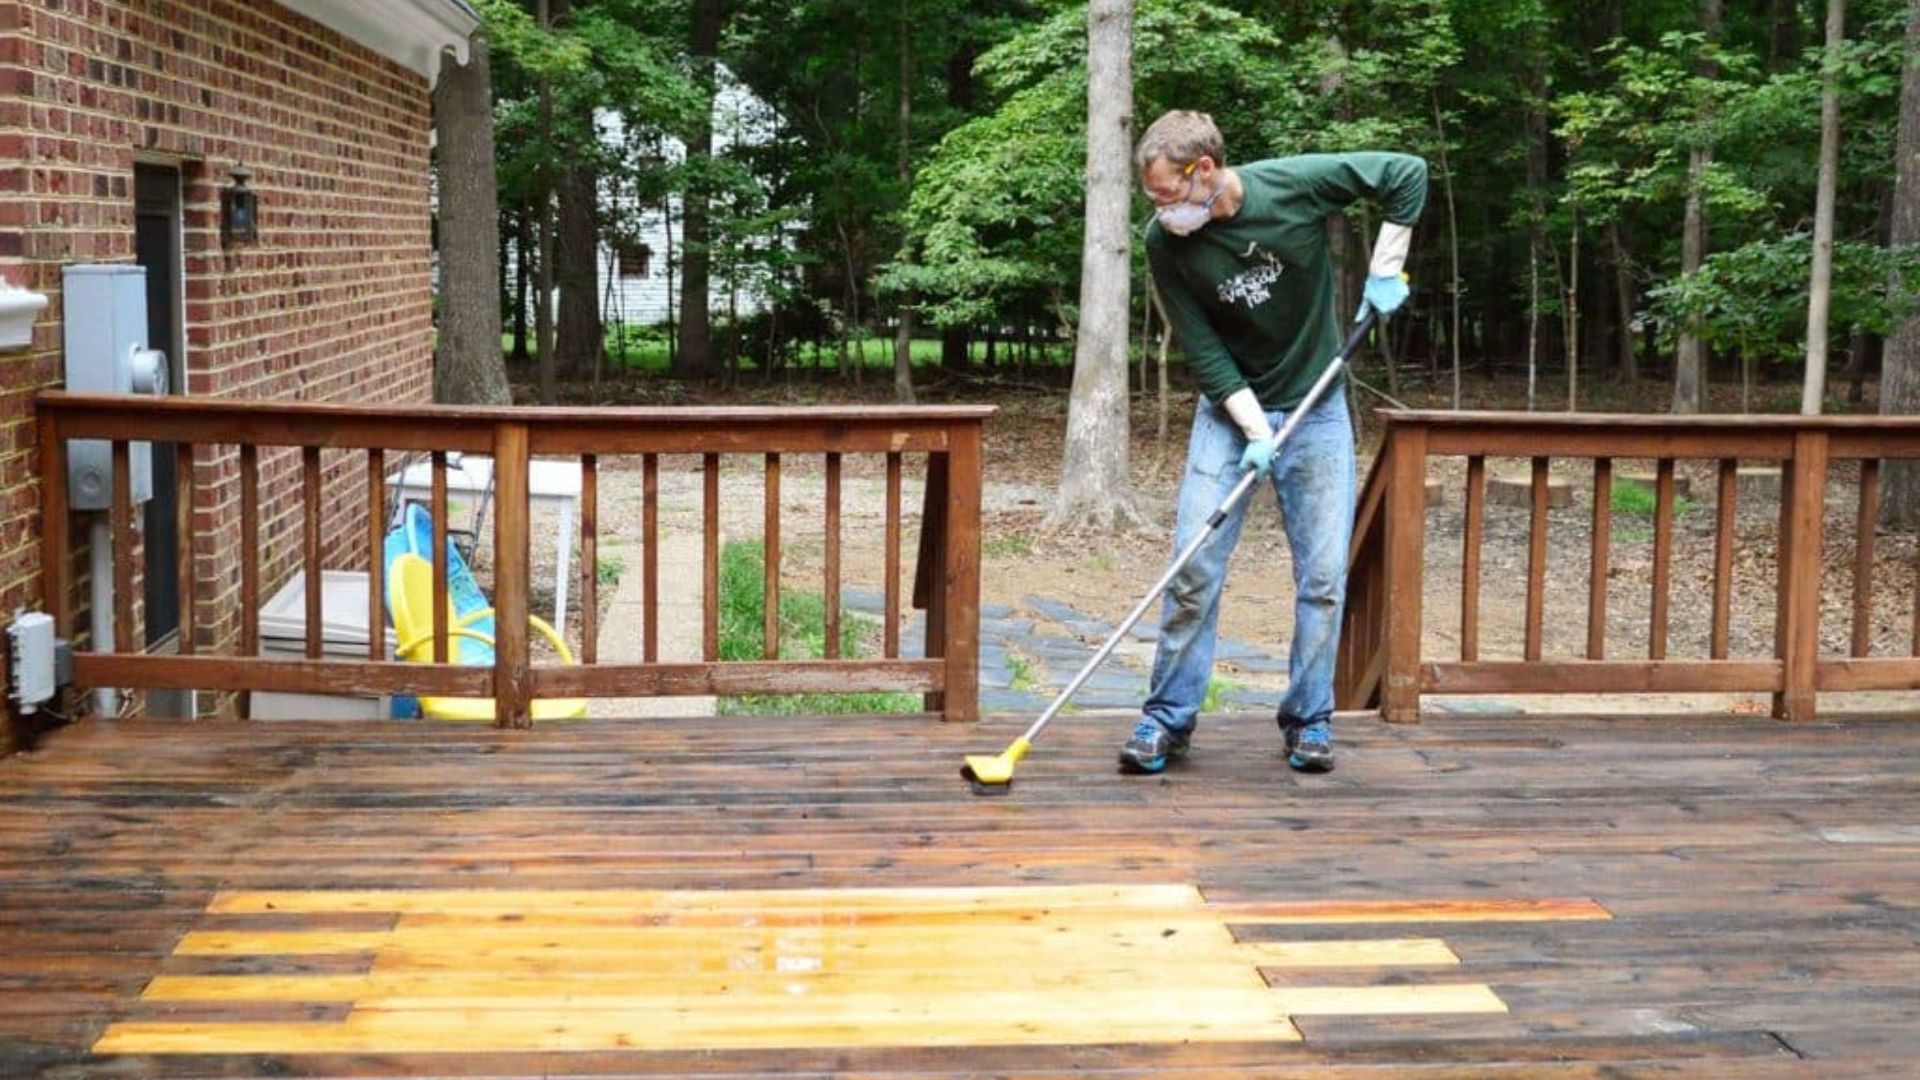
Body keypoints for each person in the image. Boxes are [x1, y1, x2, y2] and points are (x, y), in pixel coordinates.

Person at [1119, 110, 1427, 776]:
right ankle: (1166, 719)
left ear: (1204, 171)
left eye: (1167, 194)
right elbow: (1202, 347)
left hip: (1317, 409)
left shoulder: (1292, 186)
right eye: (1152, 198)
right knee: (1193, 566)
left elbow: (1406, 174)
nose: (1160, 210)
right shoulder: (1164, 244)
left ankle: (1309, 721)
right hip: (1229, 412)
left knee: (1321, 578)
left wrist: (1386, 266)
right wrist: (1255, 428)